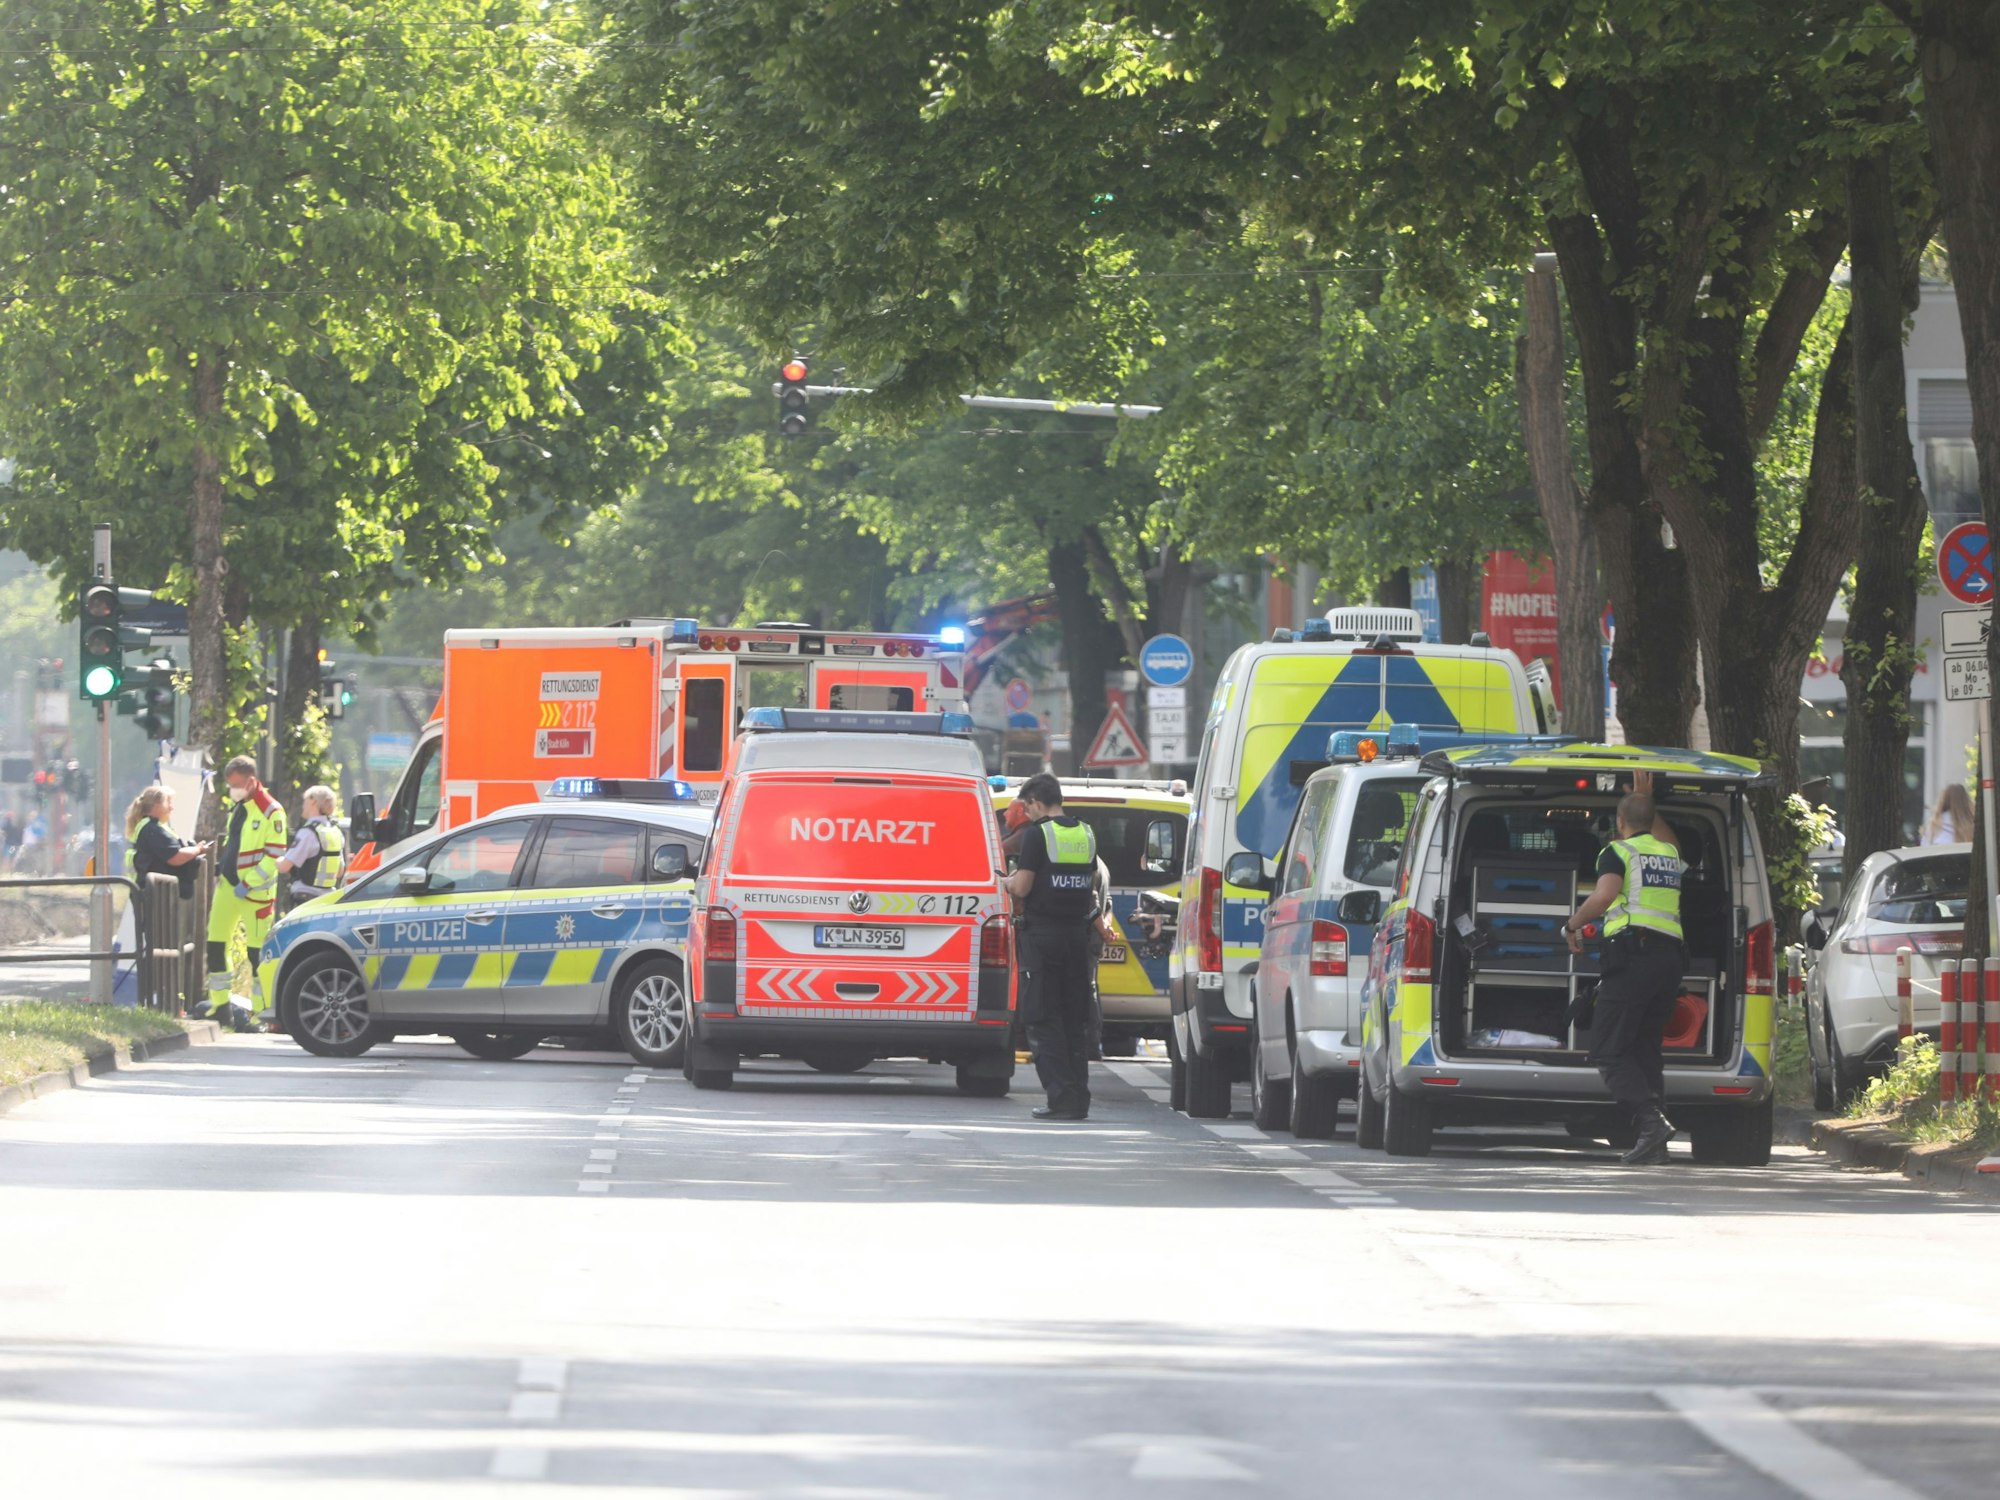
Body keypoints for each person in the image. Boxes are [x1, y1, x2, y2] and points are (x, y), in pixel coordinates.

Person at [1564, 771, 1684, 1165]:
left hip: (1634, 956)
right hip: (1669, 961)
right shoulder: (1668, 851)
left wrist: (1572, 924)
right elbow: (1658, 831)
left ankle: (1651, 1123)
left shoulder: (1616, 851)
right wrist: (1647, 800)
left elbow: (1604, 895)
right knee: (1645, 1050)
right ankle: (1657, 1145)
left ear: (1619, 823)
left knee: (1608, 1050)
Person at [1006, 772, 1100, 1120]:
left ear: (1034, 802)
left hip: (1042, 937)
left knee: (1043, 1018)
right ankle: (1078, 1100)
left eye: (1025, 807)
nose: (1026, 814)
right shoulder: (1086, 833)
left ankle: (1060, 1099)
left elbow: (1024, 887)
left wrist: (1006, 883)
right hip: (1077, 937)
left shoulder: (1037, 835)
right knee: (1074, 1019)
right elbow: (1085, 883)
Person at [202, 756, 288, 1030]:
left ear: (252, 781)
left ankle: (265, 1014)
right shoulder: (239, 807)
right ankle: (221, 1006)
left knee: (257, 955)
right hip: (228, 886)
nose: (233, 790)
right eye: (230, 785)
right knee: (216, 943)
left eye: (237, 784)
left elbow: (274, 856)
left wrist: (249, 882)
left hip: (255, 894)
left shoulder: (271, 811)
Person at [127, 785, 209, 899]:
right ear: (156, 806)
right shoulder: (152, 829)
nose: (172, 808)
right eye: (168, 802)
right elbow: (175, 857)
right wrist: (198, 849)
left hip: (156, 895)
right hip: (157, 898)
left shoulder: (150, 827)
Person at [277, 784, 345, 908]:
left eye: (305, 800)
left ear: (313, 801)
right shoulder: (336, 832)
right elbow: (339, 872)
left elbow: (284, 867)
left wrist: (276, 859)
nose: (303, 805)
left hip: (305, 900)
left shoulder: (308, 833)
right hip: (327, 901)